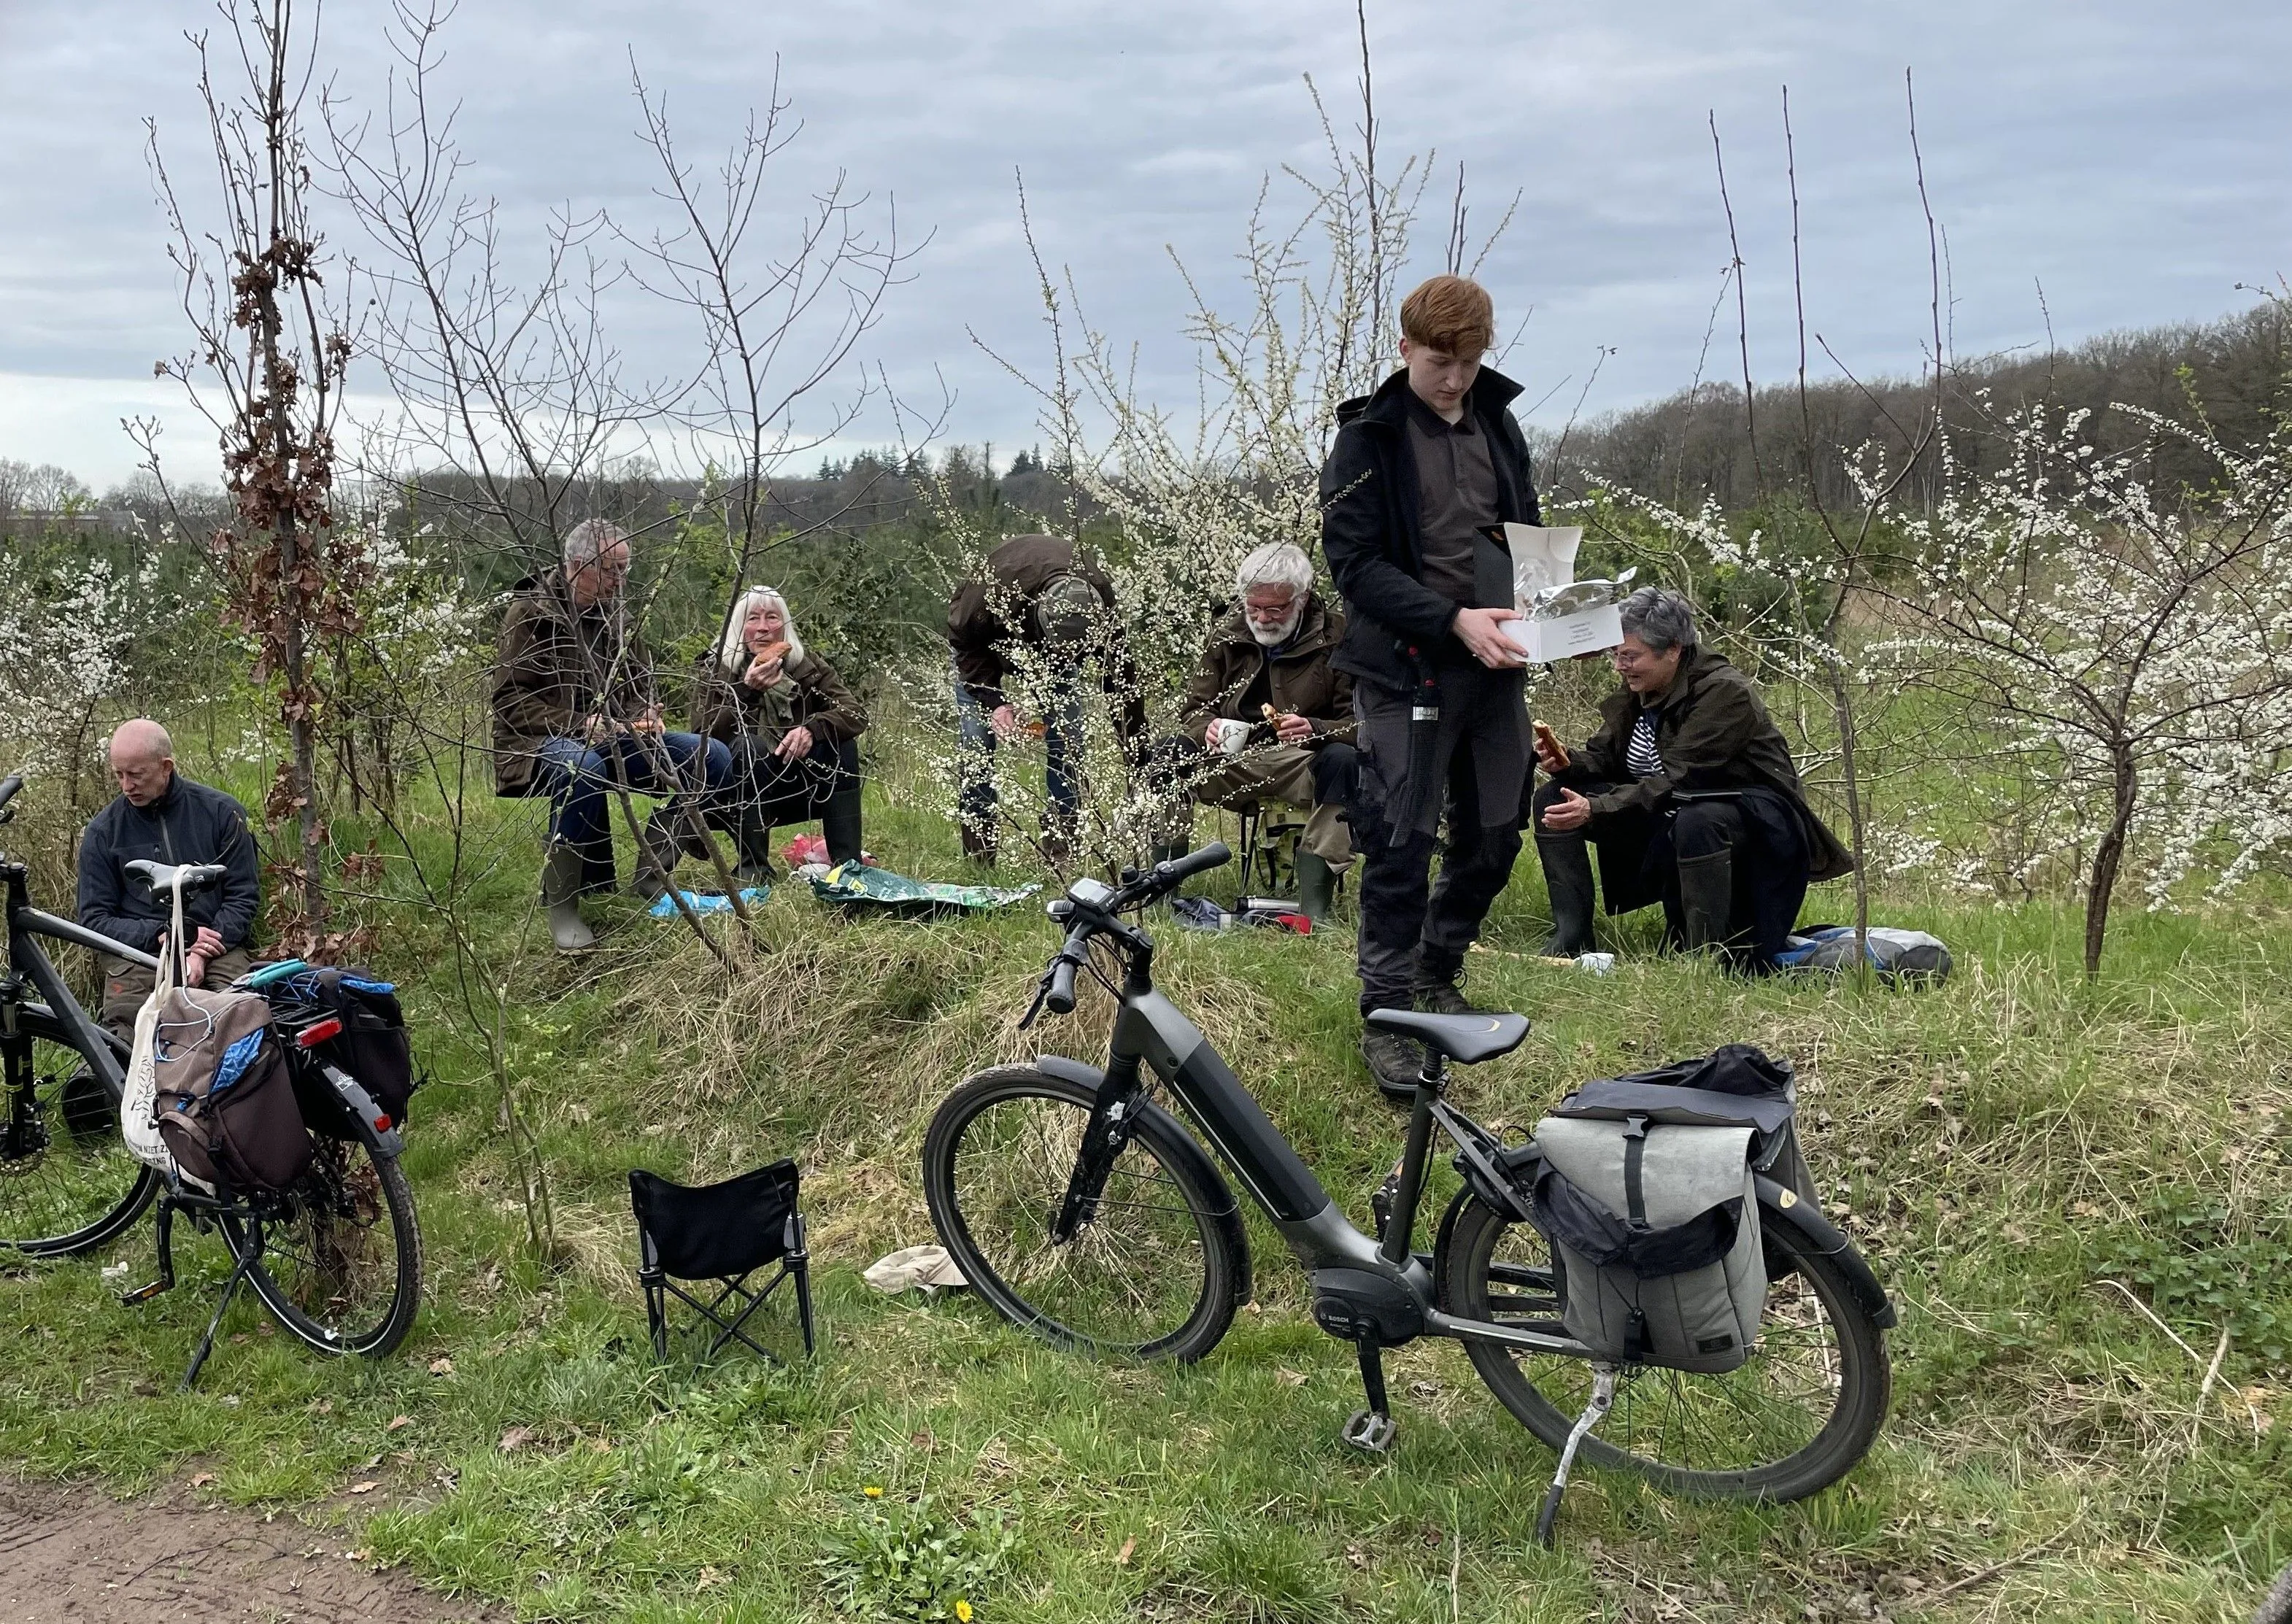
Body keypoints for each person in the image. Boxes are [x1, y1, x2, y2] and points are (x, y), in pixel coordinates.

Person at [1319, 274, 1542, 1099]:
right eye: (1439, 363)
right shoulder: (1366, 441)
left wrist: (1549, 615)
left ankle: (1436, 968)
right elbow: (1354, 567)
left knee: (1495, 834)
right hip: (1404, 667)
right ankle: (1386, 1016)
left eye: (1469, 363)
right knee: (1399, 841)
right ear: (1405, 348)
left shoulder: (1500, 424)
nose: (1454, 380)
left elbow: (1525, 534)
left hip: (1496, 666)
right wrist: (1452, 620)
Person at [1529, 587, 1855, 970]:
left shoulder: (1725, 691)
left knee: (1697, 819)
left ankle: (1703, 955)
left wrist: (1596, 807)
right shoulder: (1645, 683)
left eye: (1630, 656)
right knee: (1554, 797)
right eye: (1615, 654)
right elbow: (1608, 757)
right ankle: (1571, 938)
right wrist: (1567, 763)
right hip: (1674, 807)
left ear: (1673, 649)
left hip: (1757, 822)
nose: (1620, 665)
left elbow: (1680, 777)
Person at [492, 518, 733, 952]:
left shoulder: (618, 615)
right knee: (581, 766)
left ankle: (653, 877)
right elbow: (509, 700)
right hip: (535, 744)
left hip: (612, 737)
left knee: (709, 755)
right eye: (611, 569)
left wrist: (645, 714)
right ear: (576, 565)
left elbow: (638, 686)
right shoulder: (528, 614)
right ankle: (563, 908)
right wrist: (580, 724)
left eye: (625, 568)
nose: (621, 580)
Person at [1151, 543, 1357, 920]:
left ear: (1302, 598)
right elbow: (1194, 709)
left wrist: (1315, 728)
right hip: (1229, 760)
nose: (1262, 618)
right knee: (1167, 752)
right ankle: (1161, 891)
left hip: (1303, 762)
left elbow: (1360, 725)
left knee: (1344, 763)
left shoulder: (1338, 635)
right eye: (1253, 607)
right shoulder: (1227, 633)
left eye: (1275, 609)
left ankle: (1314, 910)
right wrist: (1206, 729)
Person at [946, 532, 1147, 867]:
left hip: (1052, 651)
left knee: (1068, 742)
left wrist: (1138, 758)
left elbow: (1121, 682)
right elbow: (965, 643)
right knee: (977, 748)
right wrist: (995, 702)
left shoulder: (1098, 598)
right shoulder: (990, 591)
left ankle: (1061, 852)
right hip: (984, 649)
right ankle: (980, 859)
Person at [77, 719, 261, 1039]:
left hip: (216, 943)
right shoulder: (103, 833)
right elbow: (94, 919)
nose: (126, 786)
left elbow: (242, 897)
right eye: (119, 774)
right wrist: (162, 936)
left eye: (136, 775)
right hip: (140, 954)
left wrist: (199, 951)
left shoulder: (222, 814)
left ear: (166, 767)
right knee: (124, 1040)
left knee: (238, 1023)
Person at [691, 586, 868, 881]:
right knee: (750, 745)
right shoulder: (717, 669)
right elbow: (702, 736)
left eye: (772, 617)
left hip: (793, 787)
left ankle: (848, 869)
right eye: (753, 618)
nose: (763, 627)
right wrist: (747, 691)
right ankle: (753, 871)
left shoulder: (805, 665)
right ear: (739, 627)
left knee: (843, 746)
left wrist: (812, 729)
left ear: (784, 625)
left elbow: (855, 713)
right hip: (730, 796)